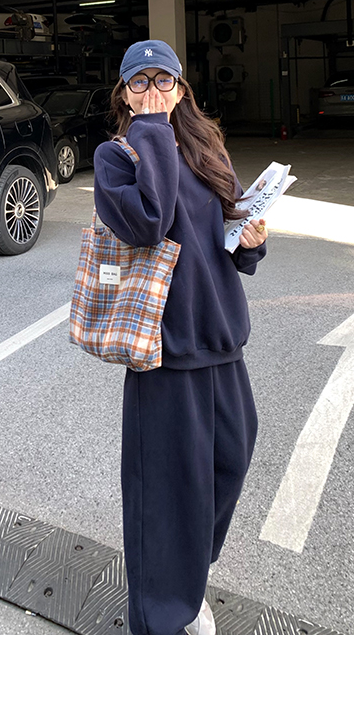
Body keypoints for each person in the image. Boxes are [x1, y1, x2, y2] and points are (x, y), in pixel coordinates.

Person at [92, 37, 268, 634]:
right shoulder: (117, 157)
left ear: (181, 88)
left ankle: (185, 577)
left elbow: (226, 232)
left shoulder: (206, 148)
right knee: (166, 494)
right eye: (139, 83)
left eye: (163, 80)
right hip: (163, 351)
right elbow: (149, 222)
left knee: (231, 461)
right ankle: (161, 618)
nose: (153, 91)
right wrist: (152, 131)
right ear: (124, 94)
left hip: (221, 338)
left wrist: (252, 241)